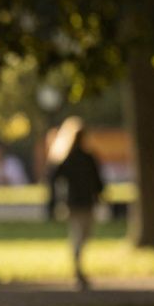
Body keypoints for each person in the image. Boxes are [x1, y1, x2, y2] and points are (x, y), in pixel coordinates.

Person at [46, 116, 104, 290]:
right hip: (78, 202)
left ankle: (78, 267)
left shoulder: (79, 157)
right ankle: (78, 270)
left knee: (82, 235)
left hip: (79, 202)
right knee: (80, 235)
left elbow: (97, 180)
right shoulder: (76, 158)